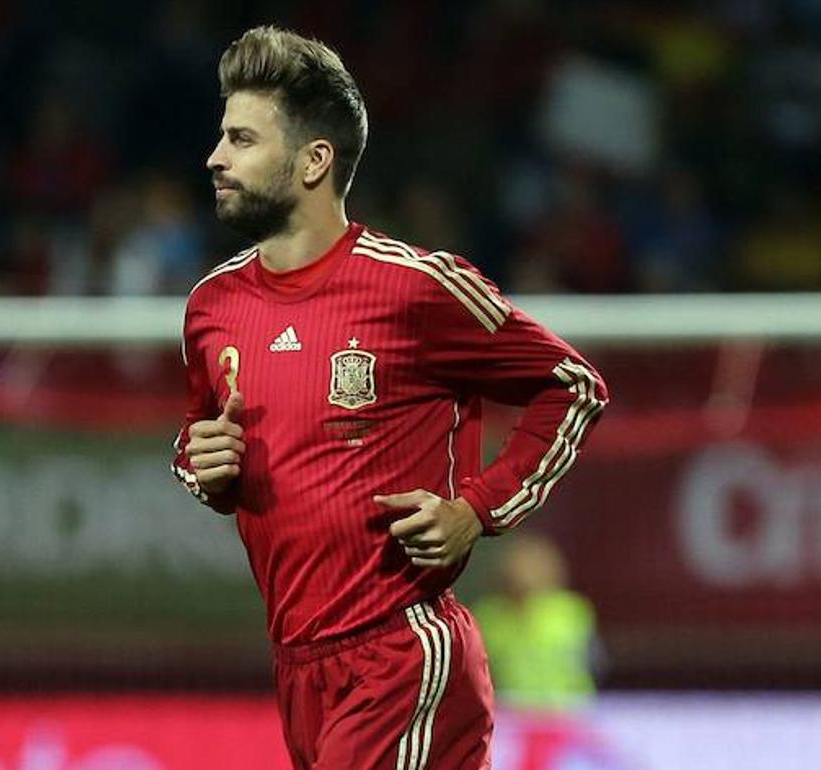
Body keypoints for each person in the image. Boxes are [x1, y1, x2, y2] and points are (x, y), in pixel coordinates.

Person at [171, 26, 609, 770]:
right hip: (301, 668)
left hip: (403, 651)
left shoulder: (415, 288)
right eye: (222, 137)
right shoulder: (212, 307)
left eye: (241, 139)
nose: (216, 157)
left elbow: (571, 387)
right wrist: (202, 464)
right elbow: (200, 437)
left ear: (314, 161)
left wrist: (477, 509)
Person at [473, 534, 601, 711]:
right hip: (511, 714)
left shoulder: (571, 610)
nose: (524, 574)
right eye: (518, 567)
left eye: (532, 567)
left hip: (569, 711)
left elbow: (592, 662)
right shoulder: (487, 615)